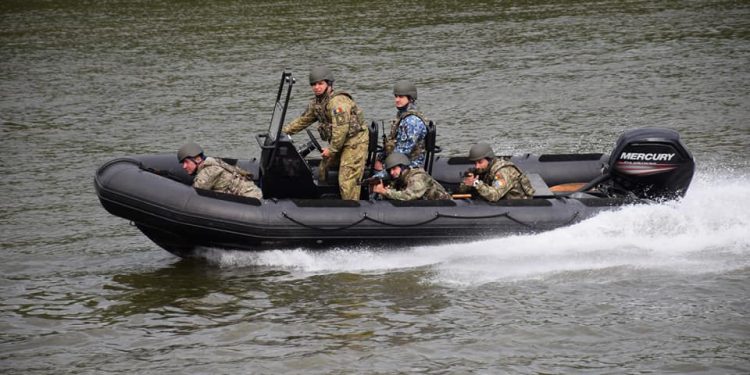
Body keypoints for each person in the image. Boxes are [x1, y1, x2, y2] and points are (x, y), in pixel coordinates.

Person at [282, 66, 369, 200]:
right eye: (314, 84)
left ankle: (351, 207)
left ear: (329, 84)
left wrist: (332, 149)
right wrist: (281, 133)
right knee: (322, 170)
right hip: (340, 143)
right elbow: (302, 121)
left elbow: (341, 130)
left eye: (320, 83)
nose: (316, 87)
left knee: (347, 180)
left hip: (355, 143)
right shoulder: (318, 103)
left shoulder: (338, 102)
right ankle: (326, 200)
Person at [374, 80, 429, 173]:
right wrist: (380, 158)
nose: (397, 100)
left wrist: (385, 165)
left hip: (409, 166)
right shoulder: (402, 116)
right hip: (399, 162)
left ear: (410, 98)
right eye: (396, 96)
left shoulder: (412, 121)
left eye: (401, 97)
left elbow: (403, 152)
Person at [177, 142, 262, 199]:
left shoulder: (208, 171)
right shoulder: (212, 162)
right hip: (252, 194)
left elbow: (193, 196)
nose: (184, 166)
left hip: (251, 198)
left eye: (186, 162)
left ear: (198, 159)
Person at [457, 143, 535, 201]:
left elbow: (495, 195)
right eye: (475, 163)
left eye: (480, 162)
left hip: (518, 204)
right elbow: (461, 191)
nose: (477, 166)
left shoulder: (502, 171)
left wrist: (476, 183)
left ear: (489, 159)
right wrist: (467, 183)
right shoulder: (483, 169)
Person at [372, 153, 450, 201]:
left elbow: (408, 196)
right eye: (390, 170)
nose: (392, 172)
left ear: (403, 167)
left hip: (442, 205)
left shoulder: (417, 177)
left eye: (394, 168)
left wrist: (385, 192)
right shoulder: (400, 178)